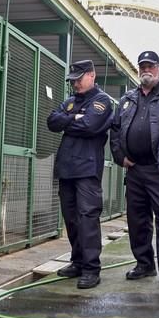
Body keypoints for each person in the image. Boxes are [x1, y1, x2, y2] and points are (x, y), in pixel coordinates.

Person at [110, 51, 159, 289]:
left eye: (150, 66)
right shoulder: (128, 98)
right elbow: (116, 129)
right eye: (142, 67)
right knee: (137, 220)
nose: (146, 70)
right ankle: (144, 264)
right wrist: (120, 156)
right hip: (135, 170)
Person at [47, 59, 113, 289]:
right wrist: (73, 118)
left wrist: (70, 119)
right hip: (66, 169)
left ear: (91, 75)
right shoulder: (71, 101)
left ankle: (91, 269)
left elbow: (89, 126)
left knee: (87, 219)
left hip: (86, 169)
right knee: (71, 219)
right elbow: (51, 121)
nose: (75, 84)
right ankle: (77, 262)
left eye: (78, 79)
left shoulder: (102, 100)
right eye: (72, 81)